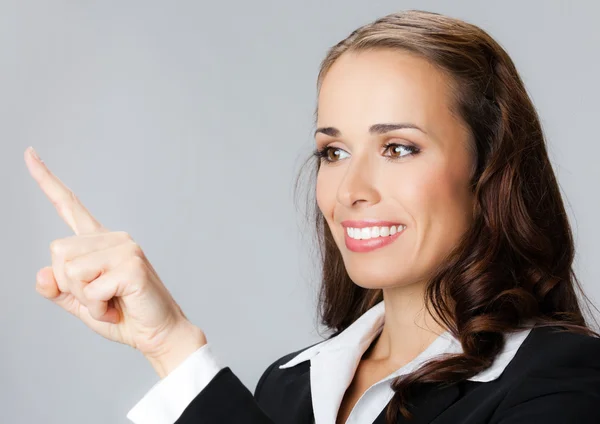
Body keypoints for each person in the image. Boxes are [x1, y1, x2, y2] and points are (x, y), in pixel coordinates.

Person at [25, 9, 600, 424]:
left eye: (398, 148)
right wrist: (159, 340)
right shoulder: (290, 383)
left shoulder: (562, 381)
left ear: (488, 169)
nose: (351, 189)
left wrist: (175, 349)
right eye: (334, 152)